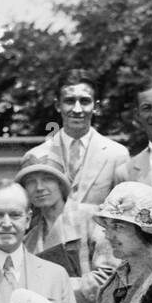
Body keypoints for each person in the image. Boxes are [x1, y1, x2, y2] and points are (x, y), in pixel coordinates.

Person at [26, 68, 129, 209]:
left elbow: (123, 211)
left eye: (85, 101)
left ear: (96, 106)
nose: (77, 109)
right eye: (69, 101)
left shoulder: (117, 155)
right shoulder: (35, 156)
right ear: (58, 105)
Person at [15, 152, 104, 284]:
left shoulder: (92, 217)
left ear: (61, 185)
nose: (39, 187)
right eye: (31, 182)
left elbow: (109, 276)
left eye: (47, 179)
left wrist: (57, 289)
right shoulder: (29, 239)